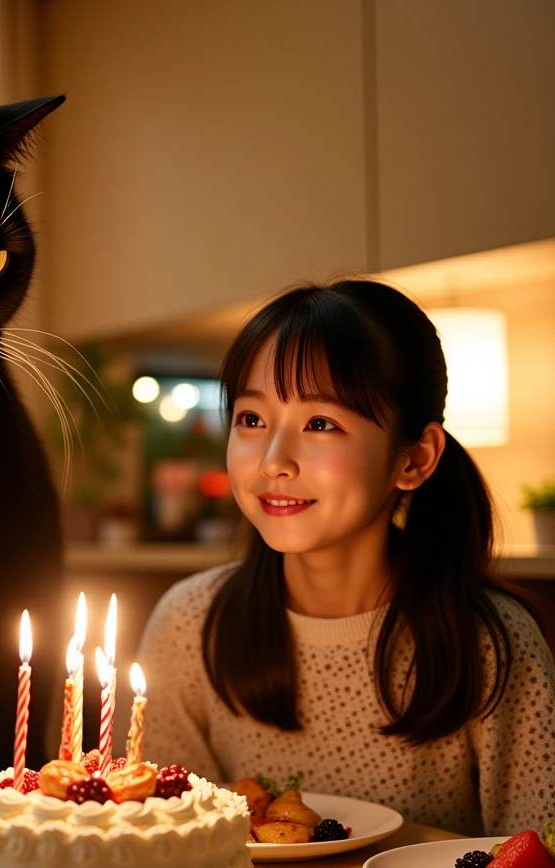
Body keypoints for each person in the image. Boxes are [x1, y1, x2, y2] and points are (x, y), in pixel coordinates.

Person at [139, 280, 555, 835]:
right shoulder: (191, 625)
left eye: (320, 424)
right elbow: (164, 846)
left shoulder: (490, 644)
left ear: (415, 458)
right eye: (251, 419)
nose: (271, 462)